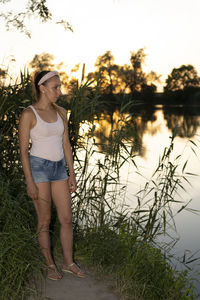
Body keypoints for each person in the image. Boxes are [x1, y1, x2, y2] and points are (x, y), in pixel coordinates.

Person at [18, 70, 86, 280]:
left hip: (59, 169)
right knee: (45, 219)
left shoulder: (62, 112)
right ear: (42, 88)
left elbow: (66, 144)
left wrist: (71, 173)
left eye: (59, 86)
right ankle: (49, 264)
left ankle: (68, 263)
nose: (59, 91)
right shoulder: (29, 114)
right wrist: (29, 180)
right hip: (38, 169)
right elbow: (22, 151)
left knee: (66, 218)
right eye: (55, 87)